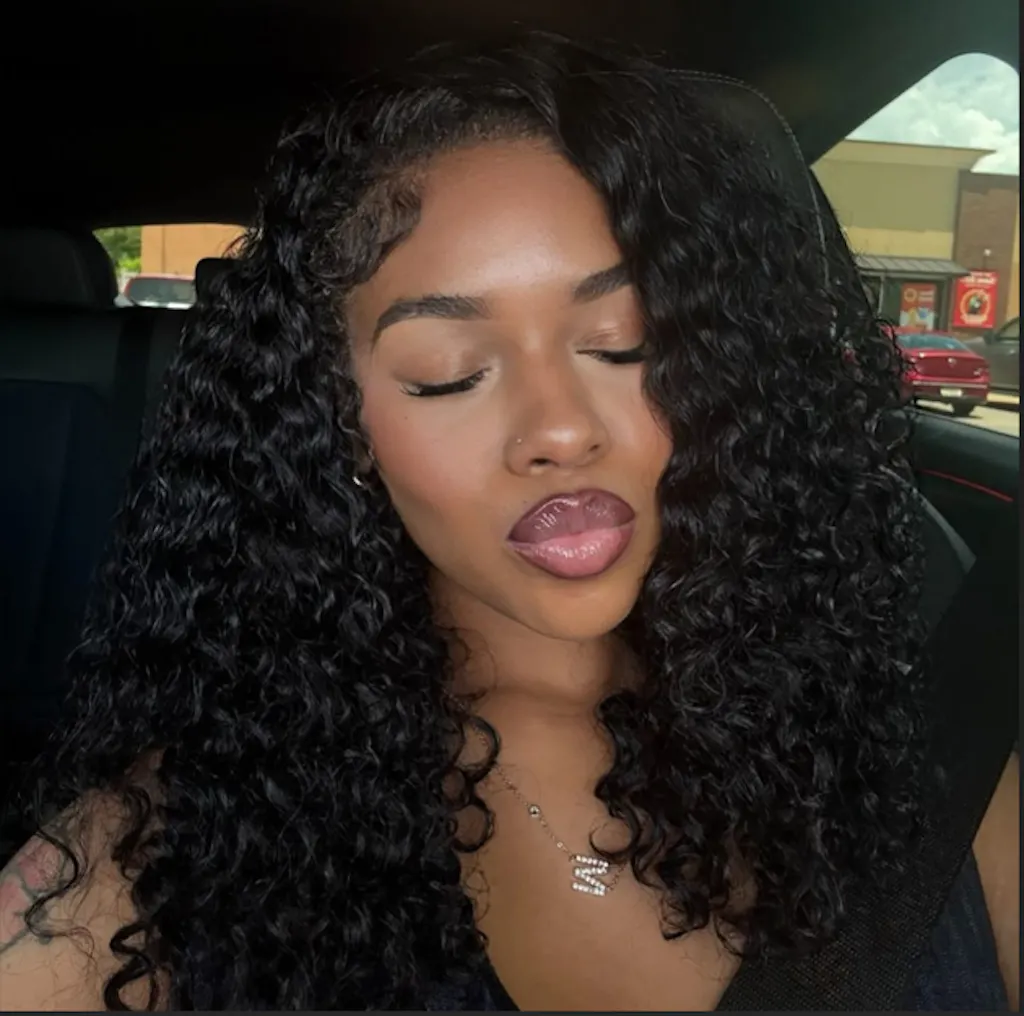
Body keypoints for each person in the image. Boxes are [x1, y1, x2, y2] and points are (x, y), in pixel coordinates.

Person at [0, 33, 1017, 1012]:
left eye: (622, 342)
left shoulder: (913, 762)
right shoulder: (169, 845)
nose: (559, 429)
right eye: (449, 373)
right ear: (340, 426)